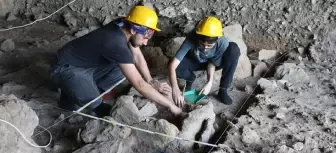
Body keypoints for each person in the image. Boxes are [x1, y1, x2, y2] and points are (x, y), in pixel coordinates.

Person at [49, 5, 182, 117]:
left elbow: (136, 55)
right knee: (95, 103)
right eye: (145, 37)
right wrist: (170, 106)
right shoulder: (115, 43)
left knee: (123, 65)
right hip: (63, 68)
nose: (146, 42)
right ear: (133, 30)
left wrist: (151, 81)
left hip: (84, 63)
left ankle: (88, 91)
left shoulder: (123, 24)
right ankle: (88, 101)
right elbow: (139, 85)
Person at [168, 16, 241, 107]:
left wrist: (209, 83)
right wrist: (175, 88)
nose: (205, 48)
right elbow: (173, 64)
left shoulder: (222, 42)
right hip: (195, 60)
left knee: (233, 49)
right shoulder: (192, 37)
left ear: (217, 38)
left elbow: (212, 63)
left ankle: (223, 90)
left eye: (209, 45)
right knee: (173, 65)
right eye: (202, 44)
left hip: (212, 63)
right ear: (198, 36)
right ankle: (189, 81)